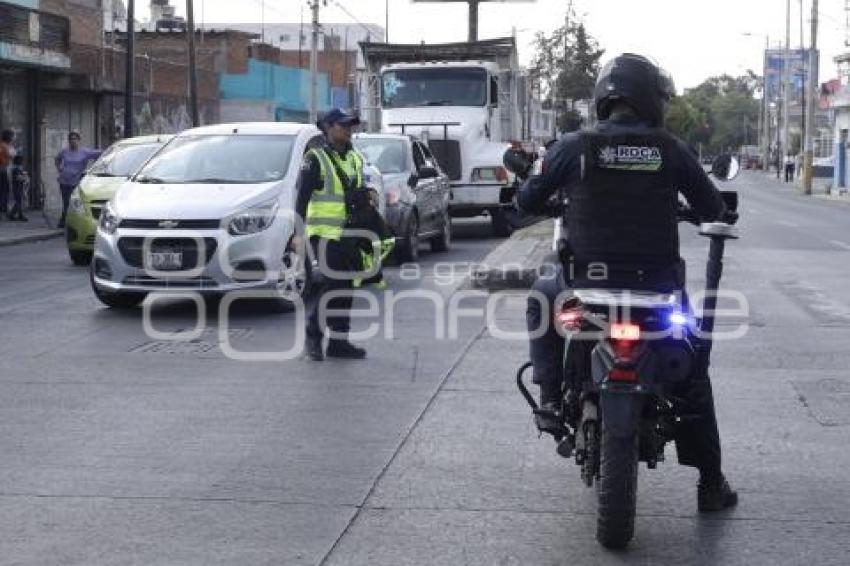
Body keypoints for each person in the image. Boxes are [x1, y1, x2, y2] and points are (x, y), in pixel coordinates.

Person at [517, 53, 738, 512]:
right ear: (650, 100)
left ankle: (550, 396)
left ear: (604, 98)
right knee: (694, 373)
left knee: (541, 297)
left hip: (586, 286)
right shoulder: (671, 149)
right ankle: (710, 483)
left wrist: (543, 194)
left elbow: (526, 199)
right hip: (657, 291)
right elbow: (715, 209)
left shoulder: (573, 146)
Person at [295, 108, 372, 362]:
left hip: (350, 232)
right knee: (333, 285)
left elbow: (357, 191)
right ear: (328, 127)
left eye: (350, 125)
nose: (348, 129)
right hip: (325, 234)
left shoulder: (354, 158)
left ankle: (339, 343)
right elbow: (302, 200)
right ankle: (313, 333)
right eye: (343, 125)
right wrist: (297, 235)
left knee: (347, 286)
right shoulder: (315, 159)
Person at [54, 131, 102, 228]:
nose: (73, 141)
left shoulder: (84, 152)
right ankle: (64, 220)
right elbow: (57, 158)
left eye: (75, 139)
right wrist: (59, 168)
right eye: (71, 139)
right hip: (64, 181)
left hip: (75, 182)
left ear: (79, 140)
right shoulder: (65, 151)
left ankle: (68, 221)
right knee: (66, 201)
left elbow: (99, 153)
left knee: (73, 203)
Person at [0, 129, 15, 219]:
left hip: (4, 169)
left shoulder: (3, 145)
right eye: (12, 136)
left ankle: (3, 209)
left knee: (4, 190)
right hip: (4, 170)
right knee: (4, 190)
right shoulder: (4, 146)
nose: (13, 138)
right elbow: (12, 154)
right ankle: (3, 209)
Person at [8, 154, 29, 221]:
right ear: (19, 161)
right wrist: (24, 177)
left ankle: (19, 215)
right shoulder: (16, 169)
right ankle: (13, 214)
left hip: (18, 187)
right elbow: (18, 178)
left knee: (19, 201)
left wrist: (23, 175)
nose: (23, 162)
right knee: (18, 202)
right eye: (21, 161)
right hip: (17, 187)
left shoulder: (17, 168)